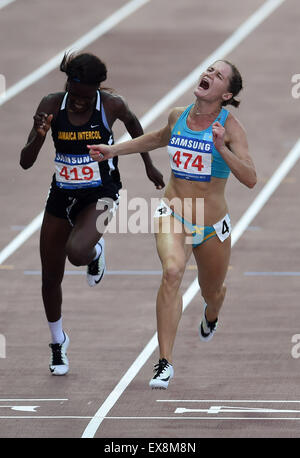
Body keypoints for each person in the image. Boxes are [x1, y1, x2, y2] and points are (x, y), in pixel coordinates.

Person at [88, 60, 257, 389]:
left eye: (218, 75)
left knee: (213, 291)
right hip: (174, 212)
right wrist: (112, 150)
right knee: (172, 271)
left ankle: (212, 314)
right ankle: (164, 361)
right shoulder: (177, 115)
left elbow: (250, 178)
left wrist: (221, 147)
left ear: (227, 94)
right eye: (209, 70)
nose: (209, 75)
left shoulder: (232, 128)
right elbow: (157, 138)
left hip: (212, 226)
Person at [19, 52, 164, 376]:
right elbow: (25, 162)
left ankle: (95, 251)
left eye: (86, 98)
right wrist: (40, 137)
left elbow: (133, 124)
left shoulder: (111, 105)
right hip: (62, 194)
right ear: (68, 84)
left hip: (101, 192)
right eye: (75, 96)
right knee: (49, 275)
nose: (79, 104)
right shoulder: (52, 104)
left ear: (96, 90)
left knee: (77, 251)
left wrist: (148, 164)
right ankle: (58, 342)